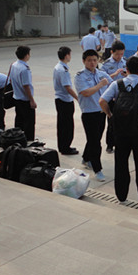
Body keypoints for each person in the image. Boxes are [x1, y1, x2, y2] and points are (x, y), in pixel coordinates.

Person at [100, 56, 138, 209]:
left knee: (121, 162)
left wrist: (110, 115)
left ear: (126, 69)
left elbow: (102, 101)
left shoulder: (117, 84)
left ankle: (121, 196)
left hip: (120, 130)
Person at [74, 49, 112, 182]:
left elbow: (112, 86)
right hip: (89, 113)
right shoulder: (80, 76)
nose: (92, 63)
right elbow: (85, 92)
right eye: (89, 60)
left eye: (95, 60)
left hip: (101, 112)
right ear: (84, 61)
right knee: (95, 142)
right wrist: (100, 85)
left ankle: (86, 158)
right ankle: (97, 169)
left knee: (95, 138)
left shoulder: (102, 74)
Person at [101, 41, 127, 153]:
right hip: (111, 97)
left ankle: (121, 143)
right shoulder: (106, 64)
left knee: (123, 121)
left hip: (123, 97)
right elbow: (102, 80)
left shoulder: (125, 62)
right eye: (117, 54)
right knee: (111, 121)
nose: (119, 56)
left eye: (121, 54)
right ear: (112, 52)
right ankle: (110, 144)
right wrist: (114, 74)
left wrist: (127, 75)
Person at [53, 47, 79, 155]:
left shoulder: (58, 67)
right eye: (70, 54)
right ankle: (66, 147)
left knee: (62, 125)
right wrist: (78, 98)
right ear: (67, 55)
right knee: (67, 125)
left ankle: (62, 146)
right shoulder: (63, 70)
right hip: (65, 100)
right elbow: (67, 87)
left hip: (60, 98)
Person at [9, 45, 37, 141]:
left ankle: (17, 140)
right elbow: (26, 86)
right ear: (26, 55)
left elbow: (11, 80)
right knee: (29, 124)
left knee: (19, 121)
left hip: (16, 98)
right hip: (25, 100)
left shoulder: (13, 65)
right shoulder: (25, 69)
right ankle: (29, 142)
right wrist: (31, 100)